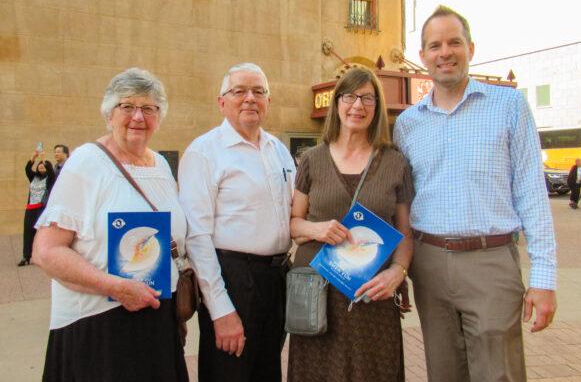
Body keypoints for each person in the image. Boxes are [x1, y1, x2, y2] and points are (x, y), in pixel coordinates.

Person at [394, 6, 557, 382]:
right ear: (423, 57)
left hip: (491, 263)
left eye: (454, 42)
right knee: (444, 372)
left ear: (471, 48)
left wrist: (544, 278)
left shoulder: (509, 106)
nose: (445, 52)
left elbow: (532, 193)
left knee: (498, 373)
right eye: (434, 45)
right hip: (429, 265)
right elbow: (403, 202)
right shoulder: (408, 124)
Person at [32, 68, 189, 382]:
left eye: (148, 108)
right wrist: (115, 287)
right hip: (98, 326)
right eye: (127, 106)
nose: (137, 117)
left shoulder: (159, 164)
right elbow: (46, 252)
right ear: (109, 114)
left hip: (156, 319)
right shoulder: (87, 162)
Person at [287, 67, 414, 382]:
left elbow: (405, 233)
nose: (358, 106)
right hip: (319, 295)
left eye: (367, 98)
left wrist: (397, 274)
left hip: (372, 294)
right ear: (337, 103)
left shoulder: (395, 162)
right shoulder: (312, 160)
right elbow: (293, 223)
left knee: (372, 371)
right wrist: (317, 229)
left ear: (377, 107)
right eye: (349, 97)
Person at [178, 63, 295, 382]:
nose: (249, 98)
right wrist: (221, 309)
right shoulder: (204, 152)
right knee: (229, 373)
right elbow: (197, 237)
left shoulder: (278, 151)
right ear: (222, 102)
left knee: (267, 370)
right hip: (232, 279)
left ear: (268, 101)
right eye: (239, 91)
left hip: (275, 280)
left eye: (259, 91)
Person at [18, 151, 55, 266]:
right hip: (30, 209)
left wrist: (44, 159)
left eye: (43, 165)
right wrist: (33, 157)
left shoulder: (49, 178)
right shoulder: (33, 177)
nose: (41, 166)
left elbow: (51, 171)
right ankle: (26, 257)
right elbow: (27, 169)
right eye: (40, 165)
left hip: (42, 209)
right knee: (28, 232)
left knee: (41, 233)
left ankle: (41, 256)